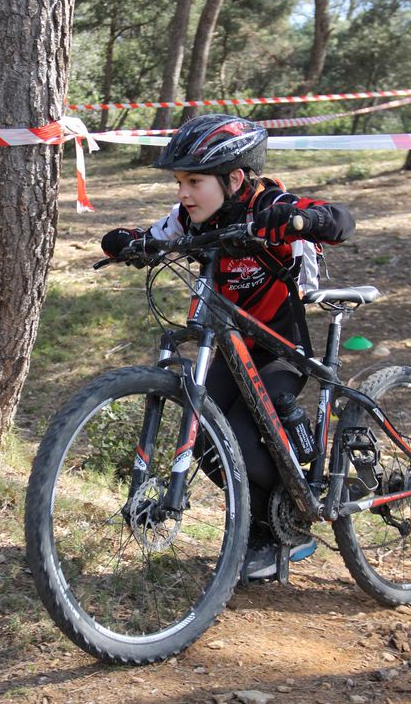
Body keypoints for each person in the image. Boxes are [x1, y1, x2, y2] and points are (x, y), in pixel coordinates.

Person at [101, 114, 355, 581]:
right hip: (230, 346)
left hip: (280, 346)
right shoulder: (188, 217)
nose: (182, 193)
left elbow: (340, 219)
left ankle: (288, 523)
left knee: (240, 432)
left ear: (234, 178)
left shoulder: (268, 204)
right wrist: (128, 245)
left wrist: (302, 218)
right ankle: (272, 524)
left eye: (194, 181)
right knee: (205, 440)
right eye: (179, 181)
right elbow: (153, 237)